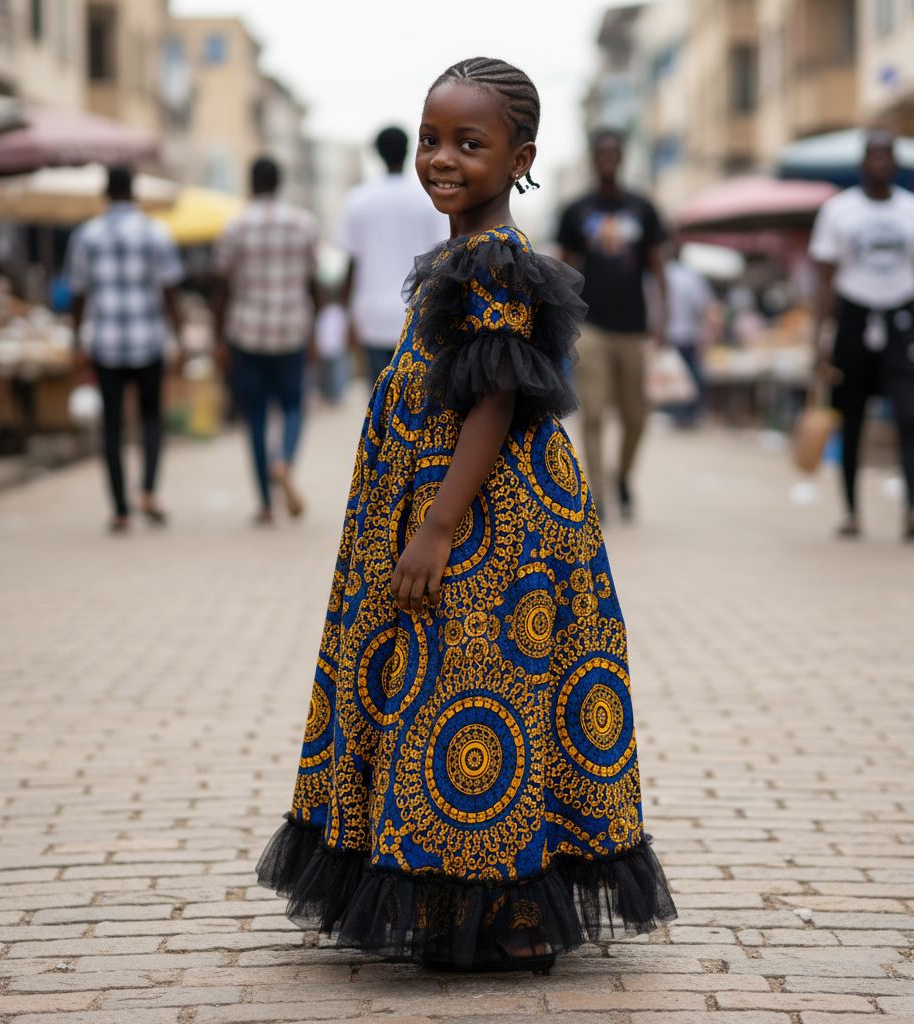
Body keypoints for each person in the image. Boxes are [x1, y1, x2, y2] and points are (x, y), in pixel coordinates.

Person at [255, 56, 676, 974]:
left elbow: (493, 402)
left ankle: (511, 909)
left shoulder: (495, 259)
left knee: (478, 689)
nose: (442, 159)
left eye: (469, 145)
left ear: (520, 157)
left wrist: (439, 524)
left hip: (489, 522)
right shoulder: (455, 254)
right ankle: (467, 895)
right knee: (450, 688)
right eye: (430, 140)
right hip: (448, 507)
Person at [809, 130, 914, 542]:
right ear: (862, 164)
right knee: (852, 419)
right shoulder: (838, 211)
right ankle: (851, 512)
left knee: (910, 414)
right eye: (874, 156)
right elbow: (824, 283)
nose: (880, 164)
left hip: (902, 319)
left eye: (887, 157)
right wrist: (819, 341)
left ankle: (912, 509)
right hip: (853, 317)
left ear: (896, 164)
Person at [557, 129, 667, 520]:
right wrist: (562, 318)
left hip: (634, 327)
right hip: (593, 326)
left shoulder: (642, 208)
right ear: (593, 158)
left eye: (613, 153)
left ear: (621, 158)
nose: (607, 159)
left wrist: (662, 317)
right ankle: (598, 494)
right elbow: (565, 267)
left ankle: (622, 475)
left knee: (636, 416)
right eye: (600, 153)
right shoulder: (576, 210)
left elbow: (657, 266)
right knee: (595, 412)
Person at [67, 166, 183, 533]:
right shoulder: (154, 232)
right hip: (148, 338)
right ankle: (147, 489)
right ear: (134, 192)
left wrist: (75, 340)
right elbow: (170, 292)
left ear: (106, 192)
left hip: (106, 343)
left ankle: (119, 509)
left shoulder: (87, 235)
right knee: (151, 419)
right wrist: (177, 336)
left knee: (112, 427)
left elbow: (78, 295)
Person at [213, 156, 319, 525]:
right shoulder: (303, 223)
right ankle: (284, 460)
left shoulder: (235, 225)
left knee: (255, 416)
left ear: (251, 182)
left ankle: (264, 503)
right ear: (279, 182)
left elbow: (222, 286)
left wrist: (218, 337)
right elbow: (313, 282)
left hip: (246, 332)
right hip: (291, 330)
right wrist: (316, 331)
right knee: (293, 406)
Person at [337, 126, 446, 387]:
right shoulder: (431, 198)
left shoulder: (357, 199)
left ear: (377, 154)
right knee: (416, 401)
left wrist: (345, 315)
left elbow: (351, 264)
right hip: (421, 314)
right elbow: (441, 260)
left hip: (371, 314)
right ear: (410, 150)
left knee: (379, 399)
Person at [664, 242, 716, 428]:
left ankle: (674, 414)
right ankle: (688, 415)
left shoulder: (657, 275)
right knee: (689, 378)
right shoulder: (691, 277)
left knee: (671, 377)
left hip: (666, 334)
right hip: (687, 335)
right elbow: (704, 307)